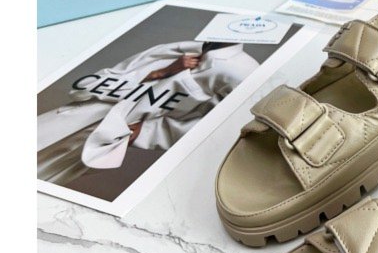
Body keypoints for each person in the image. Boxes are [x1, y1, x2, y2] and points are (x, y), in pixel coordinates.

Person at [37, 40, 259, 188]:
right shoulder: (180, 47)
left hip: (106, 133)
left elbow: (225, 125)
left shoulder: (242, 69)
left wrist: (147, 132)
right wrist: (161, 72)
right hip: (76, 114)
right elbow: (95, 82)